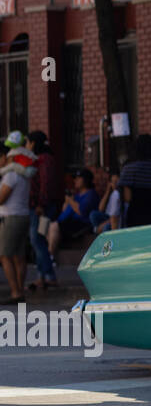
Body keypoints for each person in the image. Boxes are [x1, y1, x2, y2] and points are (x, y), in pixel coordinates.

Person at [25, 130, 60, 289]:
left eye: (28, 142)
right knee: (39, 239)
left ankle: (47, 275)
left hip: (40, 207)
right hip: (42, 206)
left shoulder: (43, 160)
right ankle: (42, 276)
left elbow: (45, 184)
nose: (26, 146)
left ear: (33, 143)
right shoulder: (45, 159)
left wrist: (40, 204)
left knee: (37, 239)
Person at [0, 148, 31, 304]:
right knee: (19, 256)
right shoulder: (24, 175)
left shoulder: (10, 175)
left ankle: (15, 292)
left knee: (5, 255)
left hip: (11, 217)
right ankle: (19, 290)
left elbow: (1, 198)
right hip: (23, 215)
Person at [45, 170, 98, 260]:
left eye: (78, 178)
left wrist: (70, 201)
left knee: (54, 226)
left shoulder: (90, 194)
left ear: (86, 180)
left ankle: (50, 256)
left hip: (81, 224)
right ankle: (45, 254)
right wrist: (67, 202)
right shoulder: (76, 195)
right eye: (75, 178)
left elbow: (82, 211)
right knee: (46, 225)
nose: (75, 180)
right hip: (68, 222)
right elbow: (64, 212)